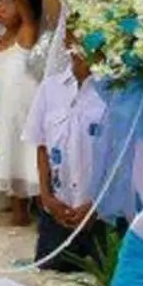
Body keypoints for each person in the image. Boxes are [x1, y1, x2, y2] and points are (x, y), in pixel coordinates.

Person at [27, 49, 111, 271]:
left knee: (101, 282)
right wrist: (47, 199)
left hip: (102, 216)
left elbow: (122, 155)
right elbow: (41, 145)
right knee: (51, 274)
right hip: (58, 212)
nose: (80, 47)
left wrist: (97, 205)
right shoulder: (50, 88)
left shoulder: (115, 90)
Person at [0, 0, 45, 223]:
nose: (1, 7)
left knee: (30, 160)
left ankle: (43, 212)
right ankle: (19, 214)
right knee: (10, 158)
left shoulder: (27, 34)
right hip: (3, 112)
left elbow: (29, 15)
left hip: (25, 111)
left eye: (9, 2)